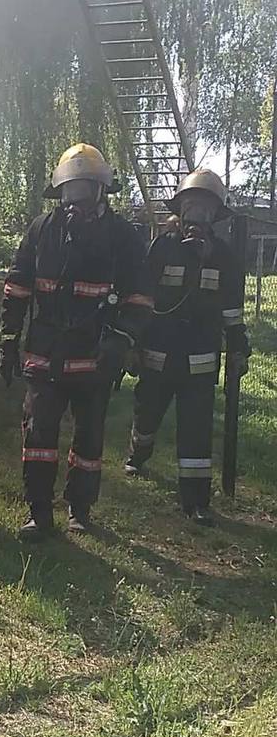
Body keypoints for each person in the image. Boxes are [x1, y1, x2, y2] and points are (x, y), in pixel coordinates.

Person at [0, 143, 153, 541]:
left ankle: (79, 509)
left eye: (83, 191)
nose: (75, 202)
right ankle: (38, 512)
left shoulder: (123, 237)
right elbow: (16, 287)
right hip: (45, 354)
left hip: (95, 356)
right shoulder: (42, 230)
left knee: (89, 439)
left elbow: (140, 296)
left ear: (101, 191)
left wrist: (122, 337)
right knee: (38, 436)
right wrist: (7, 339)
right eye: (69, 192)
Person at [124, 169, 250, 525]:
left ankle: (196, 501)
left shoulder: (223, 257)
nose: (199, 213)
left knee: (196, 428)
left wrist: (238, 345)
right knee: (147, 413)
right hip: (159, 352)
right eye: (193, 205)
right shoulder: (161, 247)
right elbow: (142, 297)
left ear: (216, 214)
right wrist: (132, 341)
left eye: (206, 207)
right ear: (180, 208)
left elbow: (232, 309)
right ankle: (138, 452)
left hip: (201, 358)